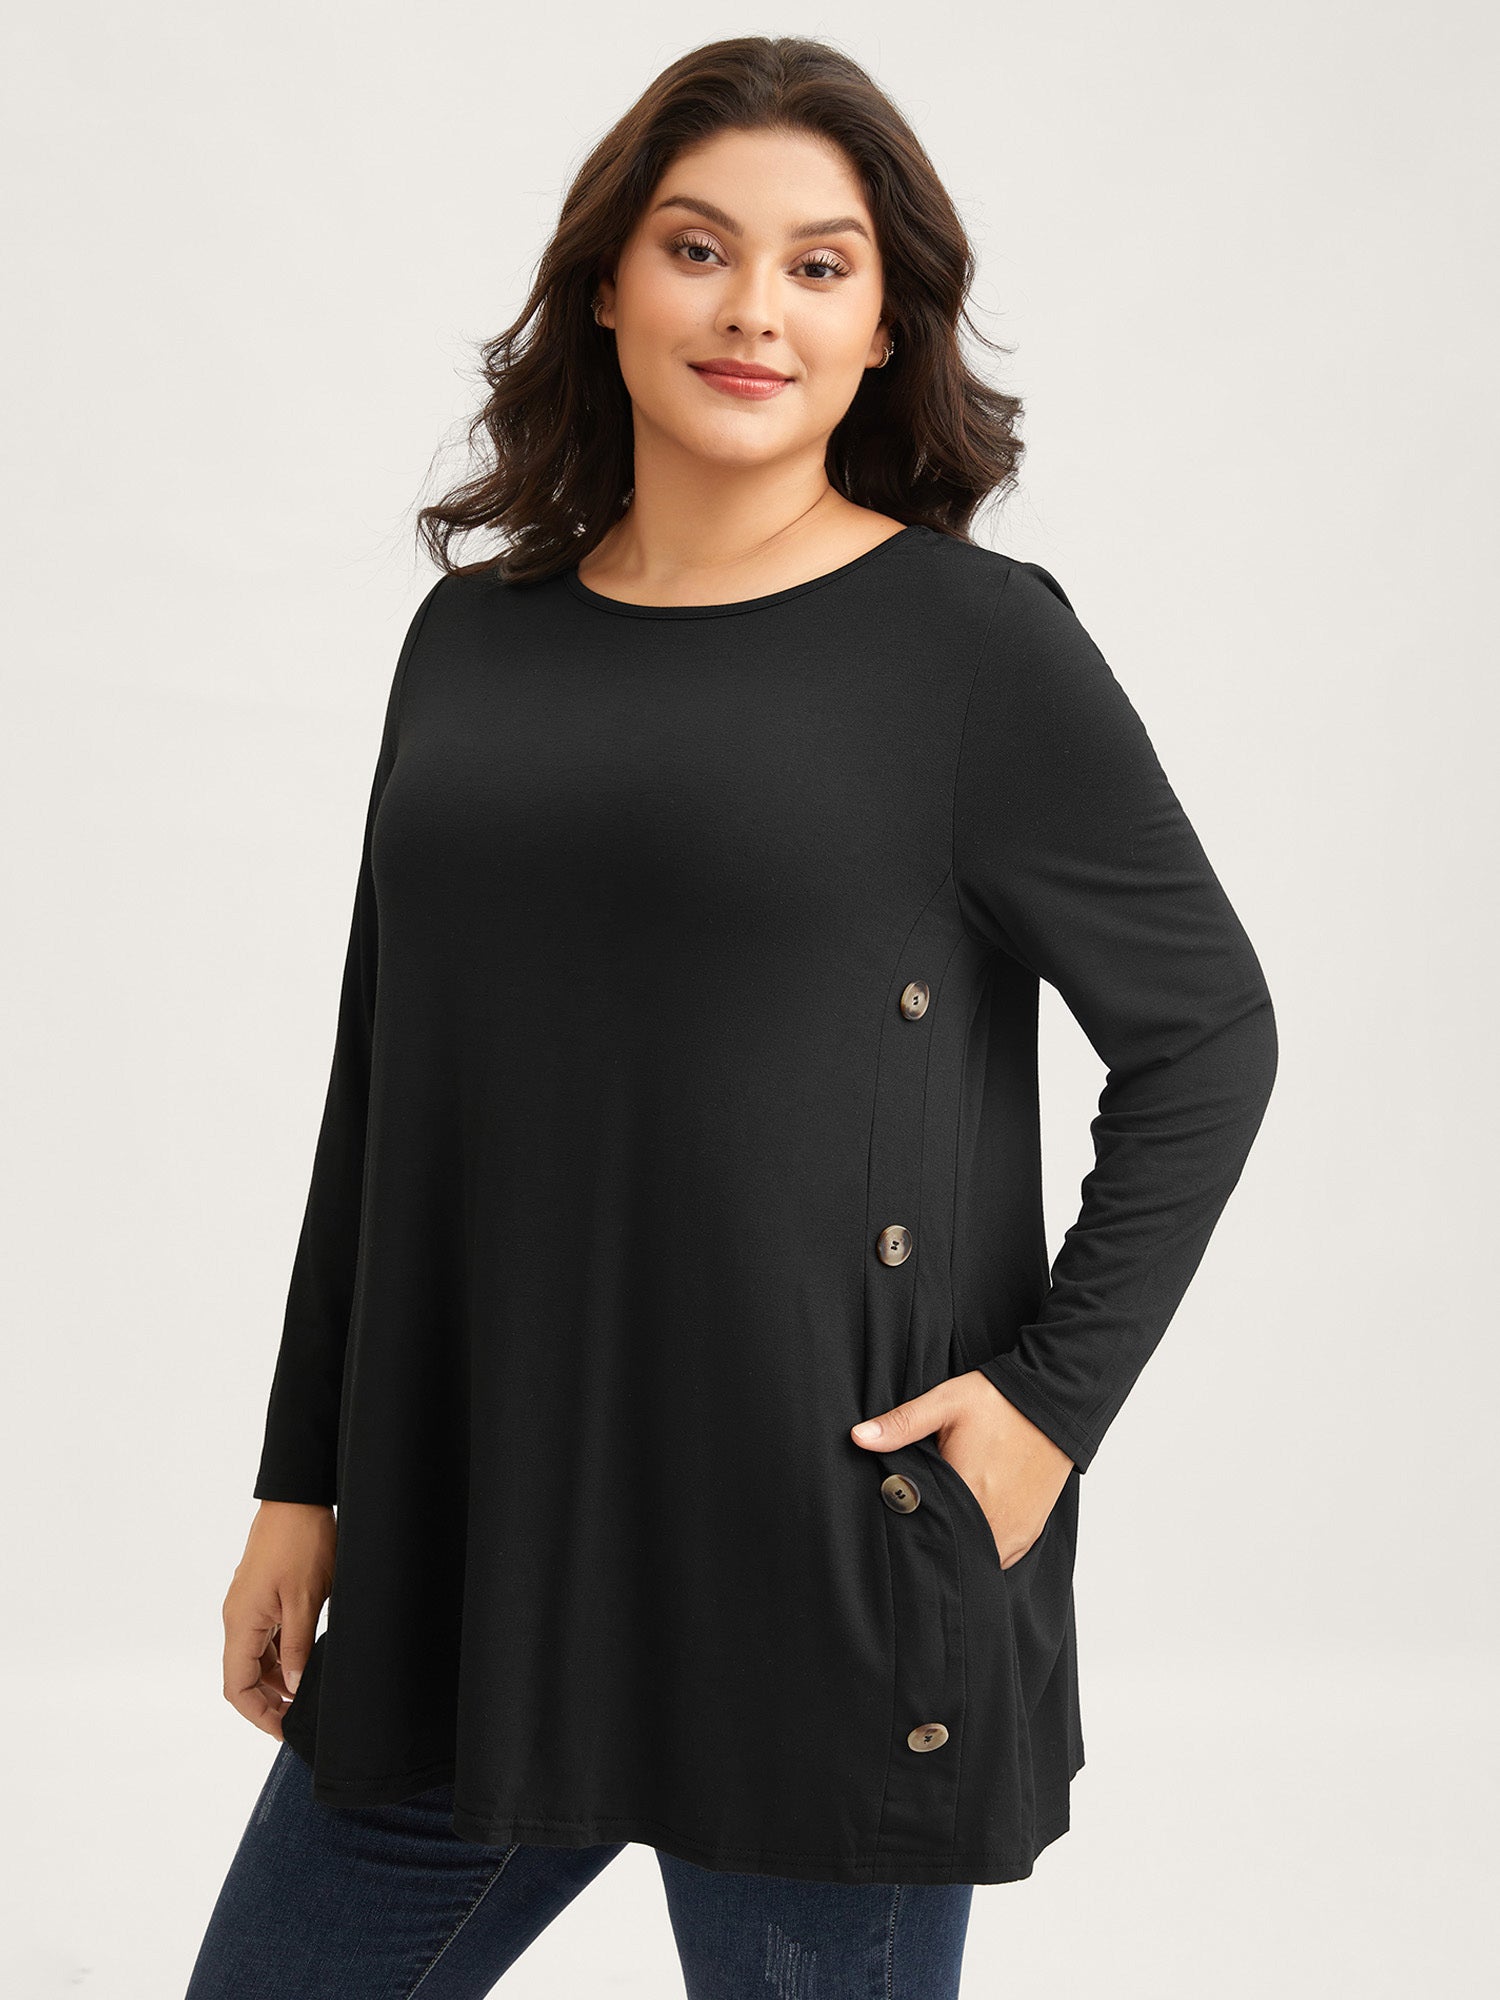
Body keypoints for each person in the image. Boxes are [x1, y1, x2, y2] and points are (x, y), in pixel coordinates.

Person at [185, 33, 1278, 2000]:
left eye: (818, 265)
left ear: (884, 327)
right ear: (607, 283)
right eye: (699, 248)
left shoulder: (971, 649)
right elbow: (384, 1082)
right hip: (478, 1557)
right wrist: (301, 1477)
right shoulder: (472, 643)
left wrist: (1048, 1412)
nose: (754, 308)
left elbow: (1208, 1033)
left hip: (815, 1567)